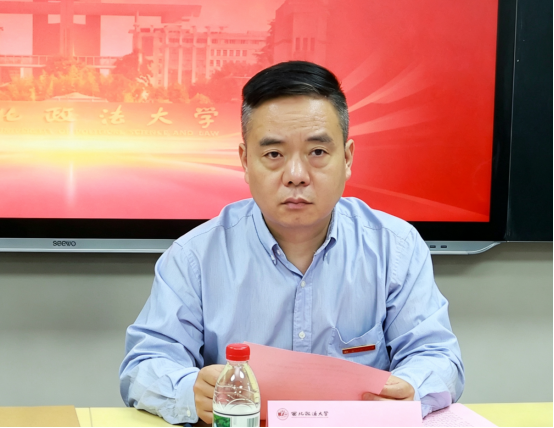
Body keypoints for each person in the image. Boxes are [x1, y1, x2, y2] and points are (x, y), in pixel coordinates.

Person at [119, 61, 465, 425]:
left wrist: (411, 389)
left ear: (347, 158)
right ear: (245, 161)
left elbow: (437, 356)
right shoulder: (194, 256)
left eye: (317, 152)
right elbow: (144, 364)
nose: (296, 176)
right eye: (274, 155)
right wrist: (189, 390)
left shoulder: (395, 247)